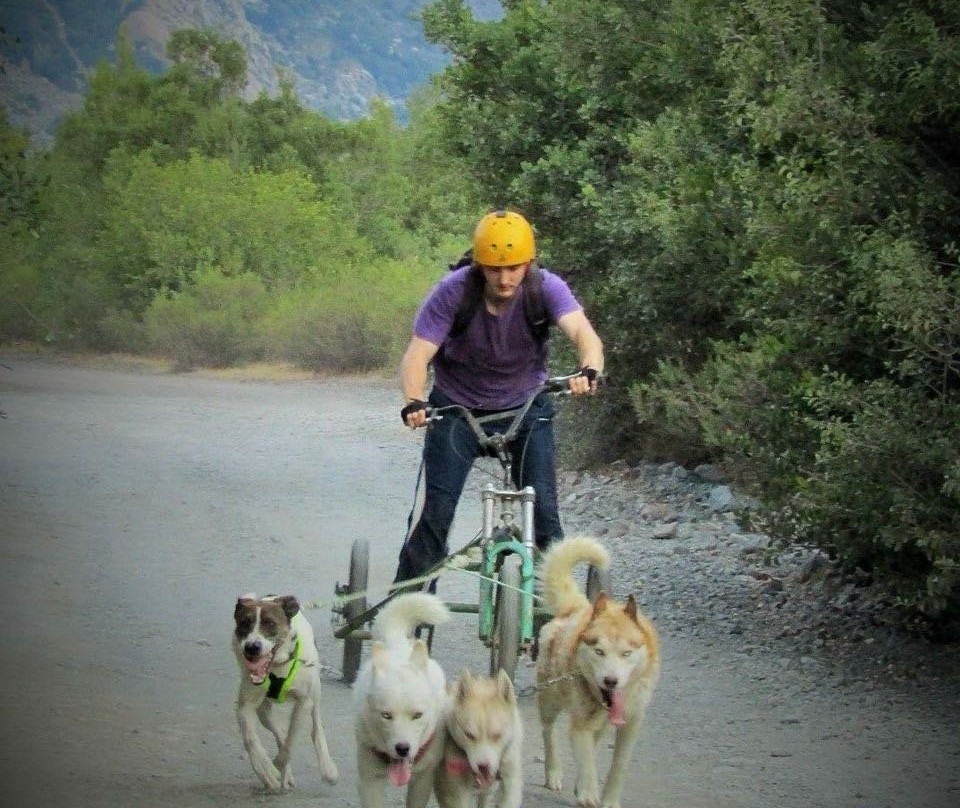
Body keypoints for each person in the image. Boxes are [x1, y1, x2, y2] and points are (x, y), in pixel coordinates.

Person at [393, 209, 604, 591]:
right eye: (493, 269)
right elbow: (417, 356)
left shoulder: (546, 288)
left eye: (513, 268)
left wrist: (588, 370)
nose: (504, 278)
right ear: (478, 266)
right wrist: (414, 400)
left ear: (529, 263)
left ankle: (558, 614)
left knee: (545, 518)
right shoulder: (452, 292)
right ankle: (400, 615)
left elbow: (583, 334)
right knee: (436, 516)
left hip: (526, 407)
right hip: (458, 410)